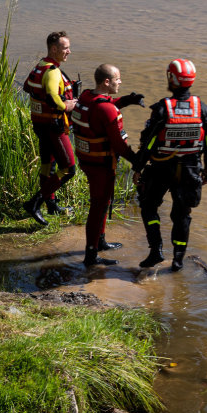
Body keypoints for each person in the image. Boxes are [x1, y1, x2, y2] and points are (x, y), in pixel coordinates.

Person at [134, 59, 207, 271]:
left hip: (161, 168)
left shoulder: (164, 108)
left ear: (171, 79)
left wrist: (137, 168)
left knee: (149, 206)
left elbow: (149, 142)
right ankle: (178, 260)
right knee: (182, 214)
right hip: (190, 169)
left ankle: (156, 250)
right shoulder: (202, 108)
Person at [70, 64, 145, 266]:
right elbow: (119, 145)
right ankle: (91, 255)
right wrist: (137, 160)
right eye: (117, 79)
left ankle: (100, 241)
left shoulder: (86, 97)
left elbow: (103, 105)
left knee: (103, 203)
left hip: (87, 159)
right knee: (98, 206)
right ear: (107, 82)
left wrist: (128, 100)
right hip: (101, 164)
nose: (120, 82)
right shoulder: (106, 109)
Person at [22, 31, 79, 225]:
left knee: (48, 165)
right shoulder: (53, 71)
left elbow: (27, 86)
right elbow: (54, 98)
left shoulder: (40, 66)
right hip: (53, 127)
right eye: (65, 48)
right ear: (54, 49)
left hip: (40, 124)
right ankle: (34, 203)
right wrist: (68, 105)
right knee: (69, 168)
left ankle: (52, 205)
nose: (69, 51)